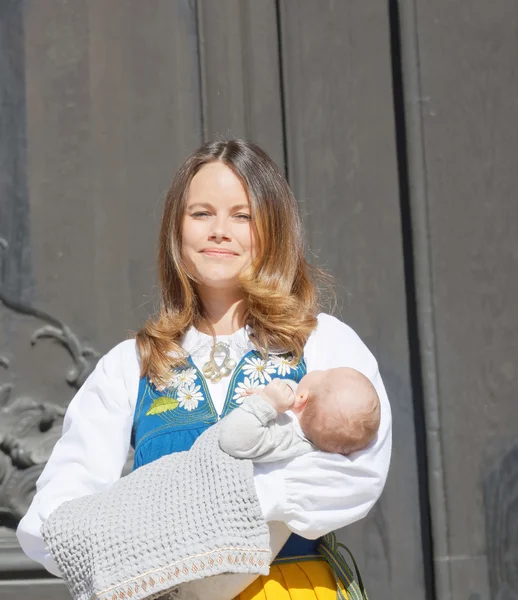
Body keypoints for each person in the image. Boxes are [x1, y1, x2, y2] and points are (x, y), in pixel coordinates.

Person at [16, 138, 392, 599]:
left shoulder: (322, 342)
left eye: (243, 215)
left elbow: (359, 473)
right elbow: (54, 519)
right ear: (176, 229)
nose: (219, 230)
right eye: (201, 214)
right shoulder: (131, 365)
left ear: (273, 229)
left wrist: (214, 510)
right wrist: (147, 546)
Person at [219, 368, 381, 462]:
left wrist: (265, 403)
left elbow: (232, 440)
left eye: (324, 372)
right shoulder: (304, 426)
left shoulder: (285, 435)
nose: (319, 369)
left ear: (302, 398)